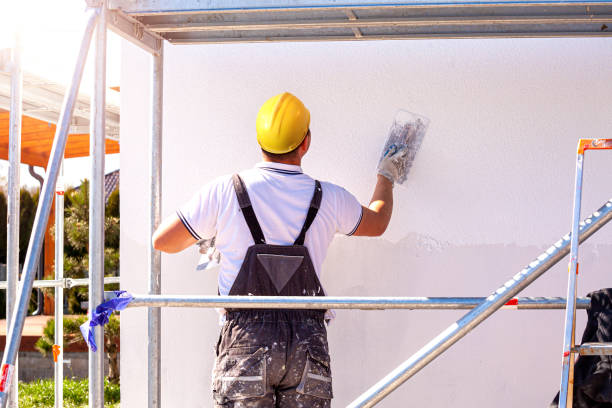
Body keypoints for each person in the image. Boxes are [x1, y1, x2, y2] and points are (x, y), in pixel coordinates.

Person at [152, 92, 404, 407]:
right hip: (306, 344)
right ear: (306, 143)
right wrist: (387, 176)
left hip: (246, 340)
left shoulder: (225, 191)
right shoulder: (329, 198)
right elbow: (378, 221)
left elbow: (164, 241)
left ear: (259, 141)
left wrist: (213, 236)